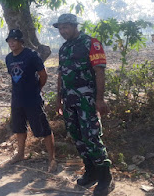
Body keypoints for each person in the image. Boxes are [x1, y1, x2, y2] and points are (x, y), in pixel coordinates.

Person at [53, 14, 114, 195]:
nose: (63, 31)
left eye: (66, 27)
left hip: (87, 100)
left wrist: (100, 99)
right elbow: (61, 75)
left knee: (92, 137)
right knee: (77, 136)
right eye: (60, 28)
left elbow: (99, 71)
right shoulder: (64, 48)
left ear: (74, 26)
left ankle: (105, 178)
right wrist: (59, 99)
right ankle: (91, 171)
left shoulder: (91, 43)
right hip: (69, 101)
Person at [4, 29, 56, 173]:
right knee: (19, 128)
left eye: (14, 40)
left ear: (21, 41)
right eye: (9, 40)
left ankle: (52, 158)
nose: (12, 43)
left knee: (43, 128)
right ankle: (20, 154)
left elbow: (43, 75)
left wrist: (37, 89)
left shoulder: (31, 55)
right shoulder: (8, 58)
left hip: (32, 99)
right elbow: (13, 77)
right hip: (17, 99)